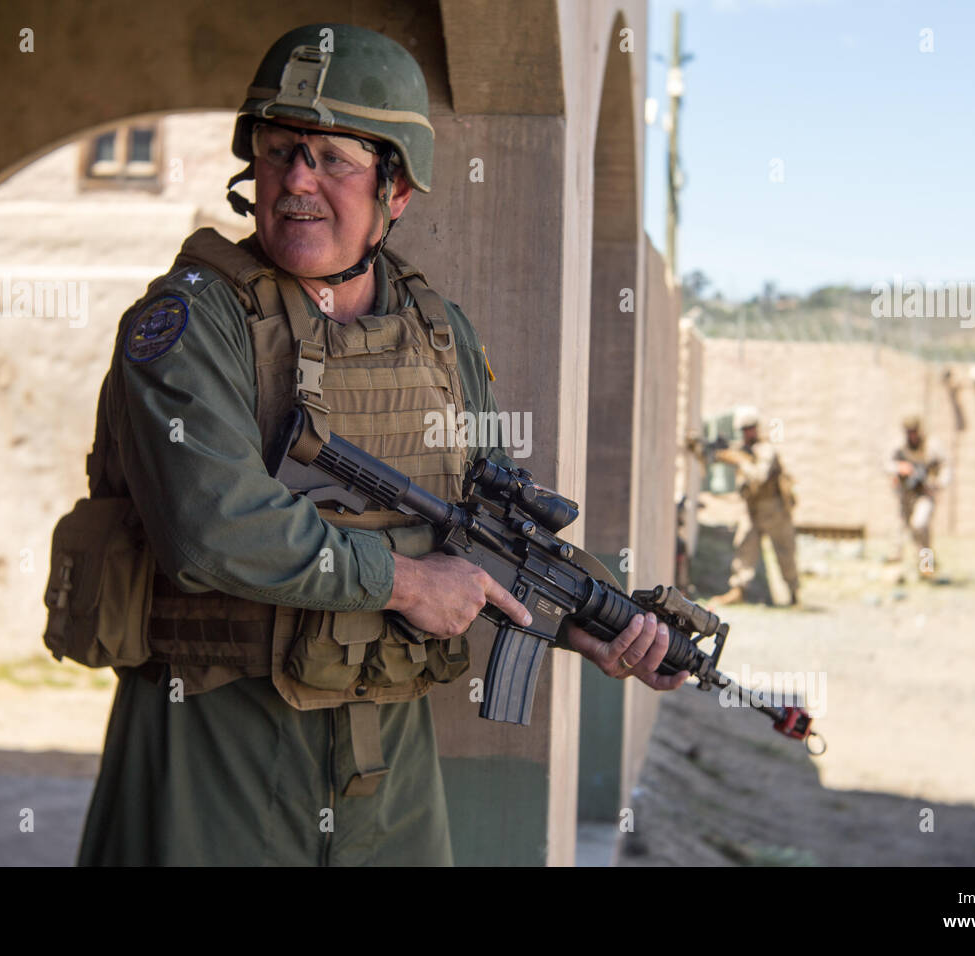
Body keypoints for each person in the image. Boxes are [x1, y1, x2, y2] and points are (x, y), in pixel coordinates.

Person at [67, 23, 688, 867]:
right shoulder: (189, 322)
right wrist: (405, 582)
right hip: (215, 733)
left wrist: (586, 612)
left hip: (387, 751)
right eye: (281, 149)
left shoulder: (439, 330)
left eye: (334, 158)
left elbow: (486, 502)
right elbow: (210, 531)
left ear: (397, 189)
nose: (296, 181)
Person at [708, 407, 800, 606]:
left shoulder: (765, 450)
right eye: (743, 429)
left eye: (749, 428)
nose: (746, 433)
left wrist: (741, 462)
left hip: (774, 510)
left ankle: (793, 593)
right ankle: (738, 590)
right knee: (744, 548)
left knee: (785, 552)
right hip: (753, 509)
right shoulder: (743, 449)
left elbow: (760, 475)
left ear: (756, 428)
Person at [885, 414, 951, 577]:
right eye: (909, 432)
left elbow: (946, 467)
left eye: (914, 431)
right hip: (905, 493)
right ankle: (904, 566)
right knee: (902, 529)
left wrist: (938, 484)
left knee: (920, 524)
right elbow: (885, 463)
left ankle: (926, 564)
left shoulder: (932, 445)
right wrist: (899, 468)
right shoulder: (899, 445)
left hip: (924, 493)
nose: (911, 435)